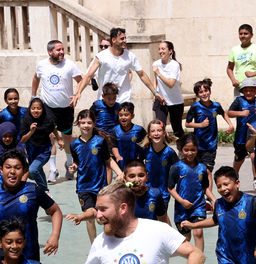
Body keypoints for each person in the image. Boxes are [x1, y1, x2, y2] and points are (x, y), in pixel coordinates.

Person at [64, 110, 123, 244]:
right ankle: (94, 245)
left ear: (94, 124)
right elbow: (77, 162)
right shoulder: (74, 144)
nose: (86, 125)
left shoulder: (100, 141)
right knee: (90, 217)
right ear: (78, 124)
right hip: (83, 186)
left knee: (103, 216)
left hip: (100, 186)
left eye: (89, 122)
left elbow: (109, 160)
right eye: (83, 122)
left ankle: (110, 241)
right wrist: (73, 167)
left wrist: (120, 173)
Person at [72, 27, 165, 108]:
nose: (125, 40)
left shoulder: (130, 56)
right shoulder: (101, 56)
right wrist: (79, 92)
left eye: (125, 38)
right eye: (122, 38)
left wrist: (154, 92)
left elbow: (142, 75)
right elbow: (88, 75)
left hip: (124, 100)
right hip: (105, 100)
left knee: (122, 127)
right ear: (113, 40)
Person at [32, 39, 83, 180]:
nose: (62, 52)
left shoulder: (70, 65)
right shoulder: (41, 65)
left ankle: (69, 163)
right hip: (48, 107)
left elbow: (81, 80)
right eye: (58, 50)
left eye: (62, 49)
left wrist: (77, 94)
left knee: (67, 138)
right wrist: (33, 94)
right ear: (50, 52)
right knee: (51, 137)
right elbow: (36, 78)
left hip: (66, 108)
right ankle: (53, 169)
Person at [169, 134, 214, 264]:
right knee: (185, 238)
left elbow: (206, 187)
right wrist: (181, 201)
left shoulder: (202, 168)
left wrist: (213, 199)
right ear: (181, 149)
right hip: (182, 208)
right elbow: (170, 188)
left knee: (198, 233)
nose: (189, 153)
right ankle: (192, 260)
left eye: (193, 150)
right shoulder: (176, 167)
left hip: (198, 205)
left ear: (197, 149)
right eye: (186, 150)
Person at [185, 78, 234, 174]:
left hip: (211, 145)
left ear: (210, 91)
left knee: (207, 172)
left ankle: (208, 189)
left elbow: (223, 113)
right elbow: (187, 124)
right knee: (197, 171)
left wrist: (231, 125)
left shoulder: (216, 106)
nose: (204, 94)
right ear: (197, 95)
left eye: (206, 91)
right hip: (197, 145)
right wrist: (200, 125)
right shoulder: (195, 107)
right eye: (200, 92)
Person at [140, 119, 179, 225]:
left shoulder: (170, 153)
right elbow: (137, 168)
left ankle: (170, 239)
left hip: (163, 194)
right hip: (147, 192)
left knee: (160, 221)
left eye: (159, 130)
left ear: (164, 133)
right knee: (151, 220)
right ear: (148, 134)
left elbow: (180, 171)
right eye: (153, 131)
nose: (156, 133)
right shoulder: (145, 151)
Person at [20, 98, 62, 189]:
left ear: (43, 109)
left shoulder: (47, 119)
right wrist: (31, 132)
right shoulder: (27, 119)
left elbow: (53, 127)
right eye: (33, 108)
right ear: (29, 109)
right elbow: (23, 140)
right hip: (32, 150)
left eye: (39, 108)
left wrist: (59, 139)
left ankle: (45, 190)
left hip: (44, 150)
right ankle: (45, 193)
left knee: (32, 170)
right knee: (37, 169)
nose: (36, 111)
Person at [227, 78, 256, 186]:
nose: (249, 92)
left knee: (254, 156)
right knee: (238, 160)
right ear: (242, 91)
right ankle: (234, 178)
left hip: (254, 135)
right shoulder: (239, 100)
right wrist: (241, 113)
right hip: (240, 136)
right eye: (246, 90)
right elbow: (229, 113)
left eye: (251, 90)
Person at [226, 24, 256, 95]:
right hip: (240, 87)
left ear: (251, 35)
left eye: (246, 33)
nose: (243, 36)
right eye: (241, 34)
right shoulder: (234, 50)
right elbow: (229, 68)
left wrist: (253, 73)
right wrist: (233, 80)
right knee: (240, 106)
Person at [152, 40, 185, 139]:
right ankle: (160, 151)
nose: (160, 51)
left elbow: (171, 84)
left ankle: (183, 150)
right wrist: (155, 92)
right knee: (159, 127)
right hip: (161, 101)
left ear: (170, 51)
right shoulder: (156, 63)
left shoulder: (175, 65)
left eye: (163, 49)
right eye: (159, 49)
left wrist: (159, 73)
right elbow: (155, 79)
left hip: (175, 102)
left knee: (177, 129)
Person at [121, 158, 169, 223]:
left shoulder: (155, 194)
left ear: (147, 177)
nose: (137, 179)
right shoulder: (121, 196)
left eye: (141, 175)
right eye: (132, 176)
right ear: (125, 179)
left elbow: (163, 219)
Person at [111, 102, 146, 172]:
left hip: (136, 163)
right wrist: (117, 156)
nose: (123, 117)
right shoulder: (115, 130)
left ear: (132, 116)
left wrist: (142, 156)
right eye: (120, 115)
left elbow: (146, 143)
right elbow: (113, 145)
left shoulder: (139, 130)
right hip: (121, 163)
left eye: (126, 115)